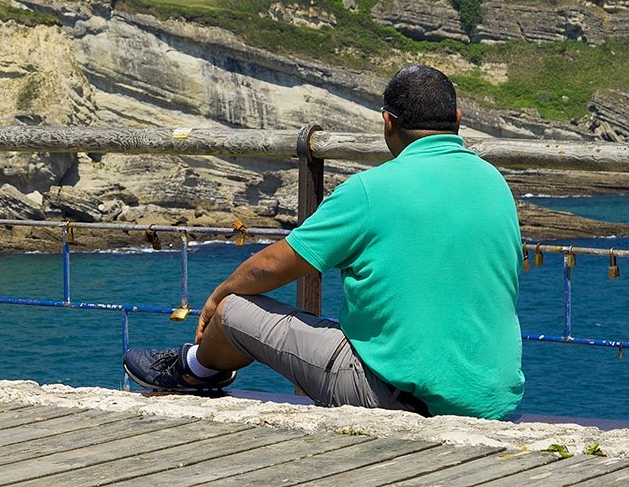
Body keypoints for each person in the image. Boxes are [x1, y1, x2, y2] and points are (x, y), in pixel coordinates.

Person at [123, 65, 525, 420]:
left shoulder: (371, 190)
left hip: (393, 398)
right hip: (491, 402)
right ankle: (199, 366)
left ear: (387, 122)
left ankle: (194, 367)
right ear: (457, 118)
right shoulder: (494, 183)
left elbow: (271, 266)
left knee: (233, 311)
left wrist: (217, 297)